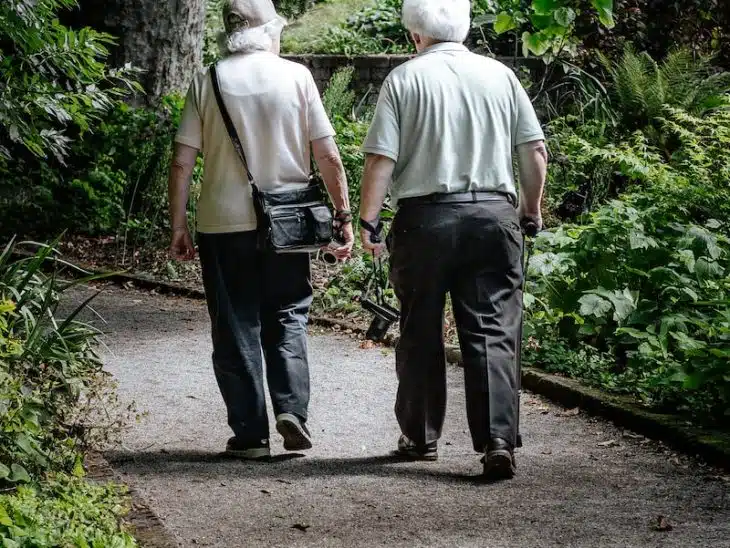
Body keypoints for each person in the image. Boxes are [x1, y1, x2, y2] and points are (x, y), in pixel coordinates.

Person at [358, 0, 547, 479]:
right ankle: (497, 440)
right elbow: (534, 150)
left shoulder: (403, 79)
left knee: (419, 327)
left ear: (414, 35)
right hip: (492, 216)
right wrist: (531, 209)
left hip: (425, 221)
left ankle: (421, 437)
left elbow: (381, 159)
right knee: (492, 331)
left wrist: (368, 220)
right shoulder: (500, 76)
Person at [168, 0, 354, 460]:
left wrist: (178, 224)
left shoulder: (207, 79)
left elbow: (182, 160)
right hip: (289, 222)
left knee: (235, 324)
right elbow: (328, 156)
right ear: (270, 29)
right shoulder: (297, 77)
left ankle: (250, 434)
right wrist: (343, 216)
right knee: (288, 312)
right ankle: (292, 410)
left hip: (221, 223)